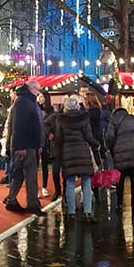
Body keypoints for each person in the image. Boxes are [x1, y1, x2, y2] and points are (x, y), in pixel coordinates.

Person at [5, 80, 46, 216]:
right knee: (28, 174)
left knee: (20, 174)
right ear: (30, 88)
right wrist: (21, 145)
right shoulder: (24, 102)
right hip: (25, 145)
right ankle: (31, 203)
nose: (38, 92)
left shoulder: (24, 101)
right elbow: (19, 125)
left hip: (27, 144)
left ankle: (12, 199)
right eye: (37, 89)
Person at [61, 94, 100, 222]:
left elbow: (58, 138)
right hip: (83, 153)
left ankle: (71, 212)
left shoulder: (62, 120)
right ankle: (88, 212)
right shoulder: (84, 119)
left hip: (68, 153)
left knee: (70, 183)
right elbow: (89, 136)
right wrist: (96, 145)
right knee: (86, 182)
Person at [106, 105, 134, 216]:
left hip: (120, 152)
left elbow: (109, 137)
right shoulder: (132, 118)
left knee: (120, 179)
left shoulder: (113, 121)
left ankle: (119, 204)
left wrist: (111, 148)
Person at [44, 104, 64, 201]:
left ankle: (64, 191)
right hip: (56, 147)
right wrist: (49, 133)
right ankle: (57, 190)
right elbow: (45, 124)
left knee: (66, 173)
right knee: (55, 171)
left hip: (66, 148)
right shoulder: (55, 117)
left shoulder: (70, 118)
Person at [0, 90, 17, 184]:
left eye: (11, 93)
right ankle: (8, 176)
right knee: (7, 158)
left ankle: (10, 178)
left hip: (12, 135)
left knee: (10, 158)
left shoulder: (16, 106)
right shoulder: (13, 106)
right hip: (8, 134)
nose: (10, 95)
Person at [38, 91, 54, 197]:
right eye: (38, 96)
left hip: (46, 140)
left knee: (44, 165)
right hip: (35, 139)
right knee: (33, 165)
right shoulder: (34, 108)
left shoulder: (51, 111)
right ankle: (35, 188)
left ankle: (44, 186)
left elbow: (53, 125)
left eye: (42, 96)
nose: (39, 98)